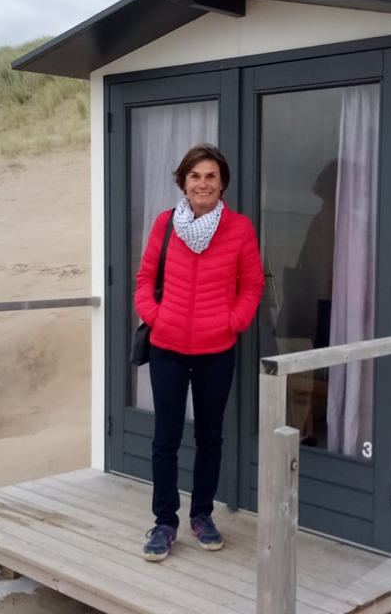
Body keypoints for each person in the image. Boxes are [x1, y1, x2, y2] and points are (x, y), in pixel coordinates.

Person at [135, 144, 264, 561]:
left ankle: (202, 515)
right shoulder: (164, 224)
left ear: (222, 183)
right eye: (195, 176)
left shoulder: (240, 228)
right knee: (165, 439)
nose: (203, 183)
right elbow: (144, 279)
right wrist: (156, 317)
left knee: (210, 437)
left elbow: (253, 285)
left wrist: (232, 322)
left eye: (211, 176)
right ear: (183, 182)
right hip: (168, 349)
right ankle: (164, 522)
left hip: (216, 351)